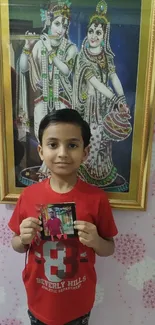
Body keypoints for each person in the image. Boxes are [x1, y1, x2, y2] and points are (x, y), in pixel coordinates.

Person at [8, 108, 118, 325]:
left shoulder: (96, 198)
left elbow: (109, 248)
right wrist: (23, 239)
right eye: (53, 144)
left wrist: (96, 241)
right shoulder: (28, 195)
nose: (62, 153)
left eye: (72, 145)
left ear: (85, 152)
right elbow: (16, 244)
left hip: (79, 303)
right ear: (40, 151)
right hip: (39, 299)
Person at [73, 0, 132, 192]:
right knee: (92, 139)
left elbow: (113, 77)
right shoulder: (83, 57)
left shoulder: (107, 57)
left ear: (104, 35)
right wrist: (116, 100)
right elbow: (96, 84)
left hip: (105, 106)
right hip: (89, 107)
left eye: (98, 32)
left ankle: (99, 177)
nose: (93, 36)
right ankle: (83, 179)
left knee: (104, 142)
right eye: (91, 31)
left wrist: (122, 99)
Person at [19, 0, 77, 181]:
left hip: (62, 100)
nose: (61, 29)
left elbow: (66, 70)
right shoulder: (39, 45)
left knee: (61, 137)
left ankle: (53, 171)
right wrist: (28, 48)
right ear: (49, 23)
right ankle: (47, 168)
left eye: (64, 25)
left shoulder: (71, 48)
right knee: (41, 133)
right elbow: (23, 68)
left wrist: (51, 52)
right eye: (57, 24)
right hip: (42, 100)